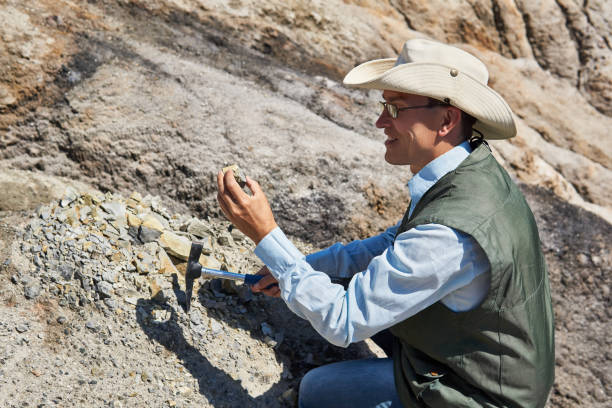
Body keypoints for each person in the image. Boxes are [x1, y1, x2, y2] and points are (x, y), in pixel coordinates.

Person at [216, 38, 555, 408]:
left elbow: (343, 320)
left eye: (395, 108)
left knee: (316, 392)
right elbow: (395, 243)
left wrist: (267, 234)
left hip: (478, 394)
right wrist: (302, 268)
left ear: (446, 120)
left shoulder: (453, 233)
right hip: (471, 359)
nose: (380, 121)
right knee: (340, 282)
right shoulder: (467, 170)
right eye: (384, 105)